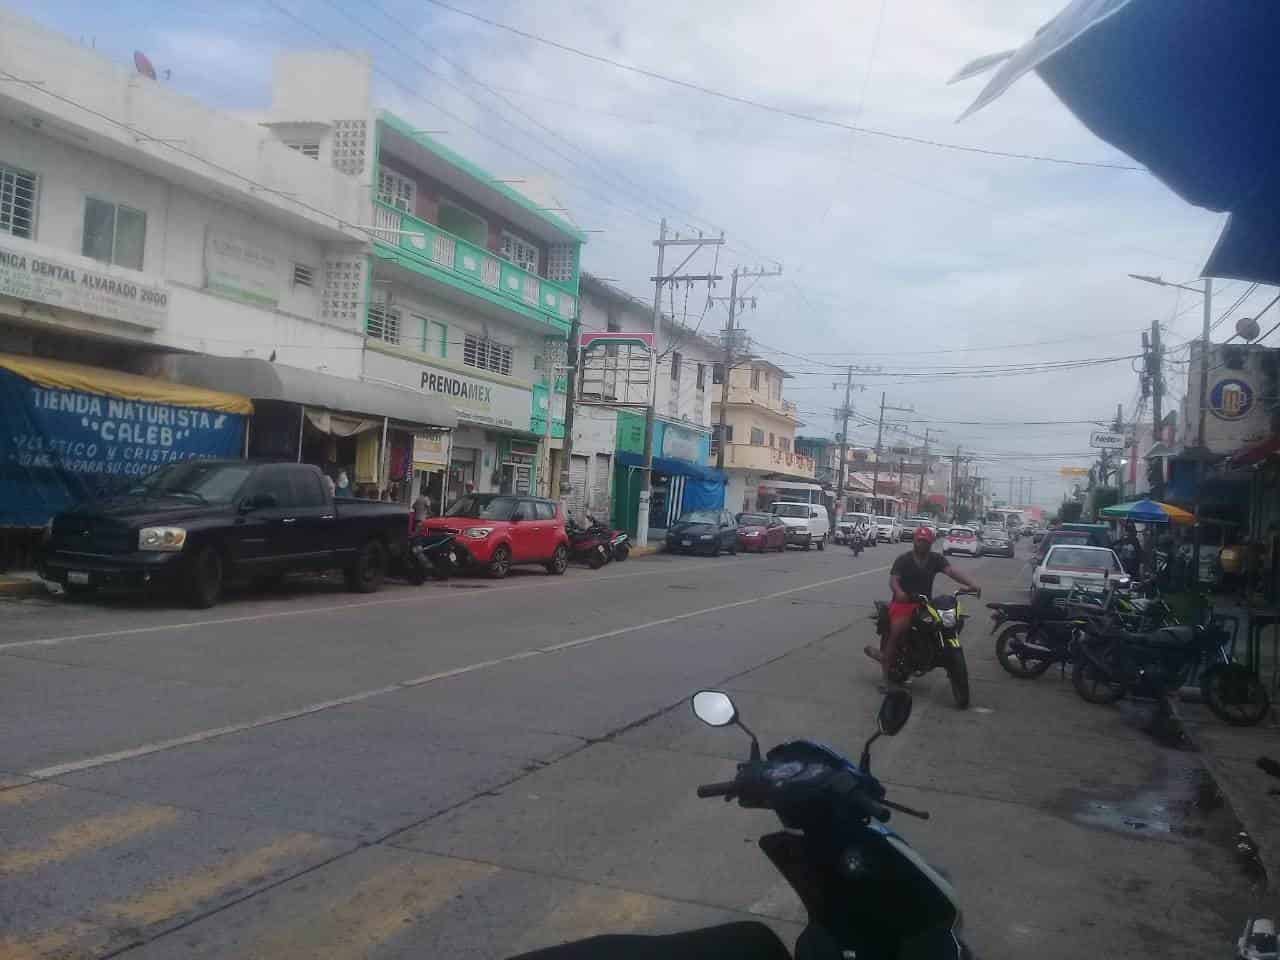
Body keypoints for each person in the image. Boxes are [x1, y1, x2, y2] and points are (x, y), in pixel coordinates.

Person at [865, 526, 981, 690]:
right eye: (920, 540)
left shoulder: (935, 559)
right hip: (903, 604)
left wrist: (971, 584)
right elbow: (894, 580)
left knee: (943, 624)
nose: (922, 544)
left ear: (931, 542)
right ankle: (885, 678)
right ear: (914, 540)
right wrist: (899, 592)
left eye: (926, 541)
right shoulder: (904, 559)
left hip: (924, 603)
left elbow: (952, 572)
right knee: (897, 631)